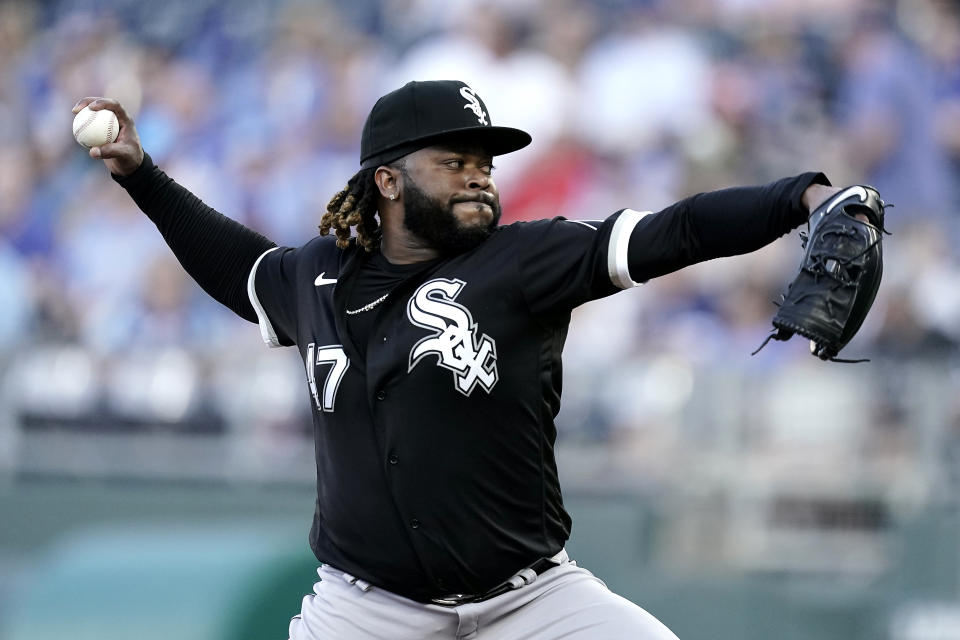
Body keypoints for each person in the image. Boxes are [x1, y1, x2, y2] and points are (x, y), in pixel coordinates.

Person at [74, 80, 842, 640]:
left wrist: (800, 198)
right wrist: (141, 175)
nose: (480, 172)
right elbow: (236, 265)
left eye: (486, 160)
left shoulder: (526, 259)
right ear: (387, 181)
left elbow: (674, 231)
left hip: (531, 604)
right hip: (365, 610)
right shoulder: (316, 276)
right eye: (454, 159)